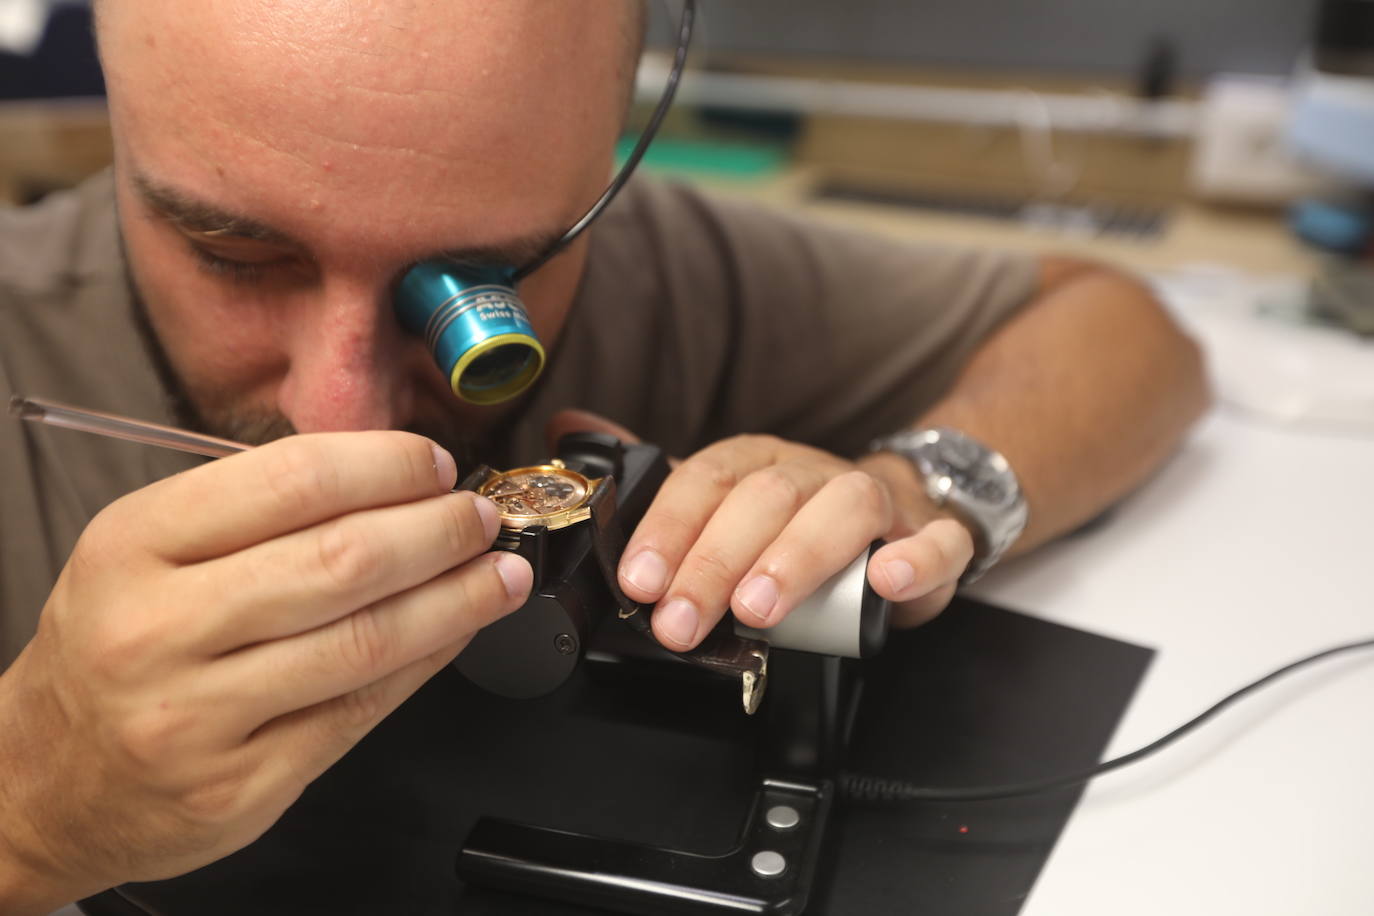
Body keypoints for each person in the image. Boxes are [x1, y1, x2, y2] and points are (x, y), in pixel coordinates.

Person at [0, 1, 1208, 912]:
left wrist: (910, 493)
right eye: (232, 253)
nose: (345, 414)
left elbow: (1123, 330)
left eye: (479, 287)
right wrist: (34, 811)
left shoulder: (664, 277)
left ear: (602, 178)